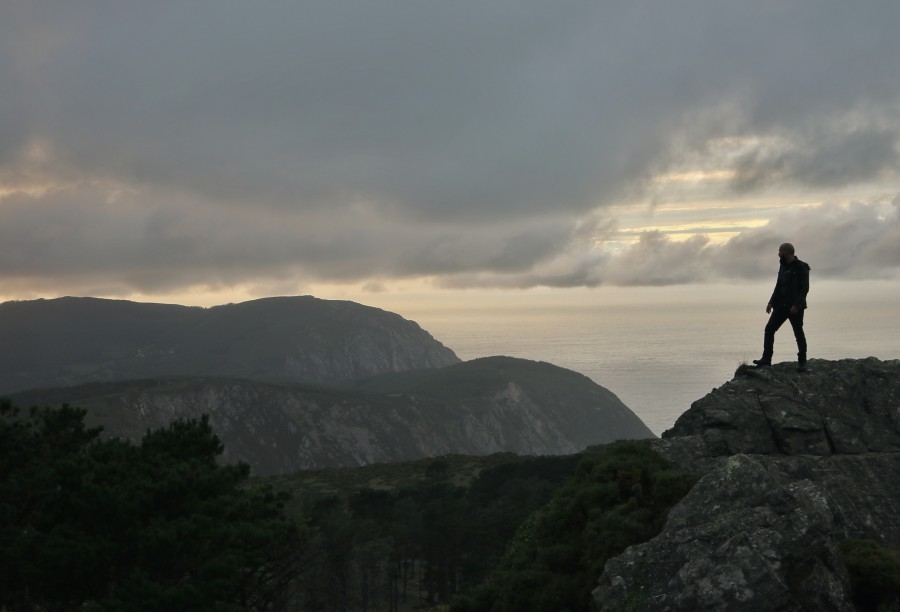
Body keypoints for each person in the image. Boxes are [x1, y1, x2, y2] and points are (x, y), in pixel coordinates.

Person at [753, 243, 810, 372]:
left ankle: (802, 362)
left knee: (798, 333)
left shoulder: (802, 267)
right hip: (781, 306)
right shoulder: (783, 266)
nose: (778, 254)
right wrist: (771, 302)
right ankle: (766, 360)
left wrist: (797, 305)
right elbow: (778, 286)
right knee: (769, 330)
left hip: (795, 308)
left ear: (786, 252)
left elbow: (805, 289)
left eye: (780, 251)